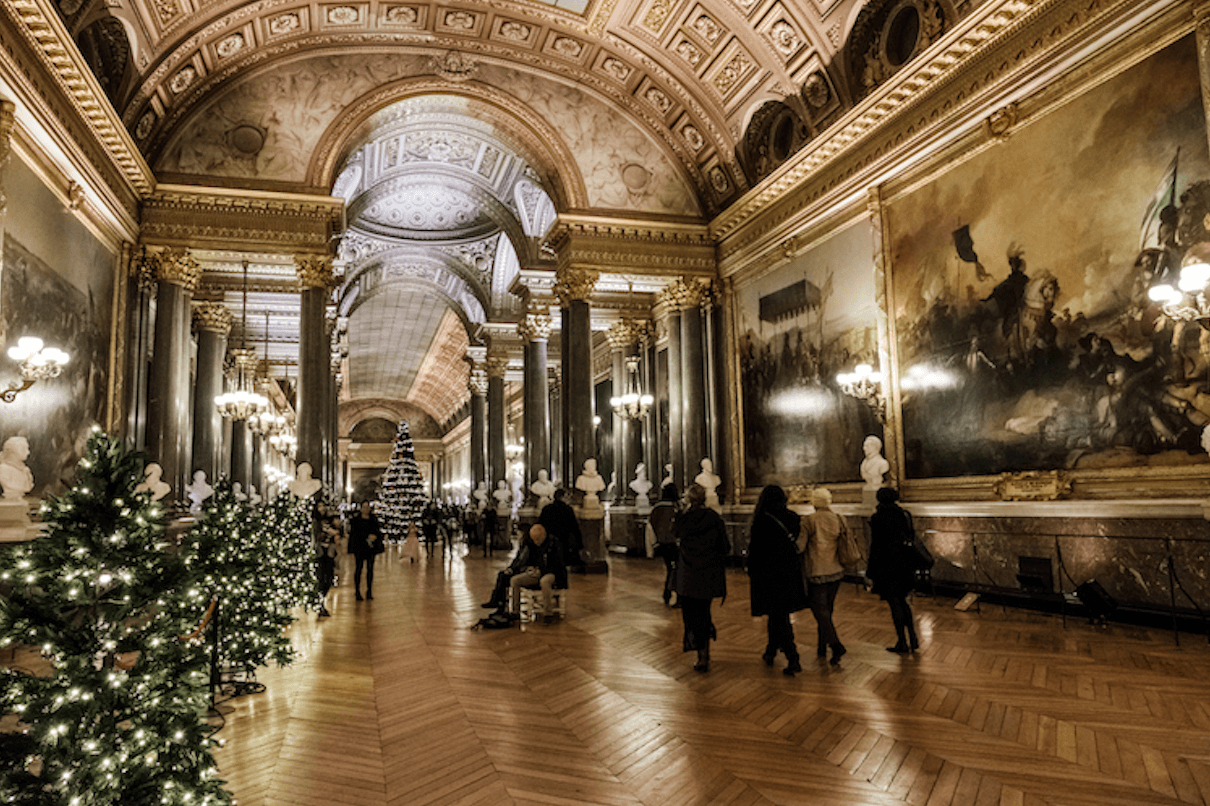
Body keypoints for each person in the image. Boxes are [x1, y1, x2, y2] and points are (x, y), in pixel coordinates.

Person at [747, 485, 809, 675]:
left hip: (769, 574)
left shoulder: (761, 520)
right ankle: (770, 651)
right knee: (778, 613)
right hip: (789, 572)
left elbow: (756, 550)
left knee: (778, 615)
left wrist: (751, 570)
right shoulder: (793, 517)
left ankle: (793, 657)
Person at [674, 483, 730, 672]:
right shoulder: (714, 518)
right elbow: (725, 547)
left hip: (688, 575)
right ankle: (704, 653)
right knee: (704, 612)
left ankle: (701, 652)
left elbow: (672, 535)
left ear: (689, 499)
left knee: (691, 614)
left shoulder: (684, 520)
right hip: (708, 573)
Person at [866, 487, 920, 653]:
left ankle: (902, 642)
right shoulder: (904, 514)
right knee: (904, 601)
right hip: (905, 563)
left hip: (887, 565)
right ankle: (913, 636)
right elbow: (911, 536)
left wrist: (870, 571)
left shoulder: (877, 517)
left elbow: (876, 546)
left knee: (894, 602)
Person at [481, 523, 568, 622]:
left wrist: (541, 570)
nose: (536, 542)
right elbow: (529, 559)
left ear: (543, 535)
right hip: (536, 573)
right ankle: (515, 612)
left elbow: (557, 565)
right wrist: (529, 568)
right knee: (515, 580)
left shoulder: (554, 544)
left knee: (545, 581)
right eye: (534, 539)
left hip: (552, 573)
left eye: (538, 539)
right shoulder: (532, 543)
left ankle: (548, 613)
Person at [799, 487, 848, 665]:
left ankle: (835, 645)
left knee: (820, 611)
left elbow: (800, 546)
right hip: (836, 569)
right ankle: (822, 647)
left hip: (817, 571)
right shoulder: (838, 518)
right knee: (827, 610)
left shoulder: (809, 521)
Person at [648, 483, 680, 606]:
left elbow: (651, 525)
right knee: (675, 569)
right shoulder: (676, 507)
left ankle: (667, 592)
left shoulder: (657, 507)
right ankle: (674, 593)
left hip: (662, 543)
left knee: (669, 568)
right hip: (675, 543)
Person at [347, 500, 384, 600]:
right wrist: (366, 537)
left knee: (370, 569)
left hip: (371, 547)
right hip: (360, 547)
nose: (366, 509)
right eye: (364, 507)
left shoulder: (373, 519)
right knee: (359, 568)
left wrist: (374, 537)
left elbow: (378, 531)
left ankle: (369, 590)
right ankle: (357, 591)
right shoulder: (356, 520)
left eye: (367, 507)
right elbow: (354, 534)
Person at [539, 488, 583, 569]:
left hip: (549, 539)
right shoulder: (568, 509)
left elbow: (540, 525)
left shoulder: (547, 509)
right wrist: (580, 543)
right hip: (564, 539)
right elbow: (574, 527)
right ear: (563, 497)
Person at [313, 500, 342, 617]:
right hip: (320, 553)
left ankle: (321, 601)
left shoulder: (328, 520)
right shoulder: (315, 521)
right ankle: (320, 605)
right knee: (321, 578)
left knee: (329, 578)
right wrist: (329, 533)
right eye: (319, 506)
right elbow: (317, 536)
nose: (322, 508)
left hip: (329, 552)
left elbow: (336, 532)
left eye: (323, 506)